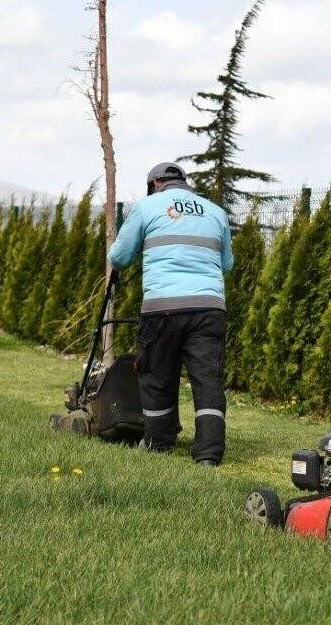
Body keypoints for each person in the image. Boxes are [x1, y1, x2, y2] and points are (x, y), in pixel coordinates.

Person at [108, 163, 233, 466]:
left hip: (163, 306)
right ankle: (208, 454)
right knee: (208, 379)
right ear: (184, 183)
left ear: (154, 184)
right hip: (209, 307)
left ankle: (158, 442)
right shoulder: (215, 212)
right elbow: (226, 263)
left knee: (157, 376)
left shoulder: (146, 207)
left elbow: (119, 257)